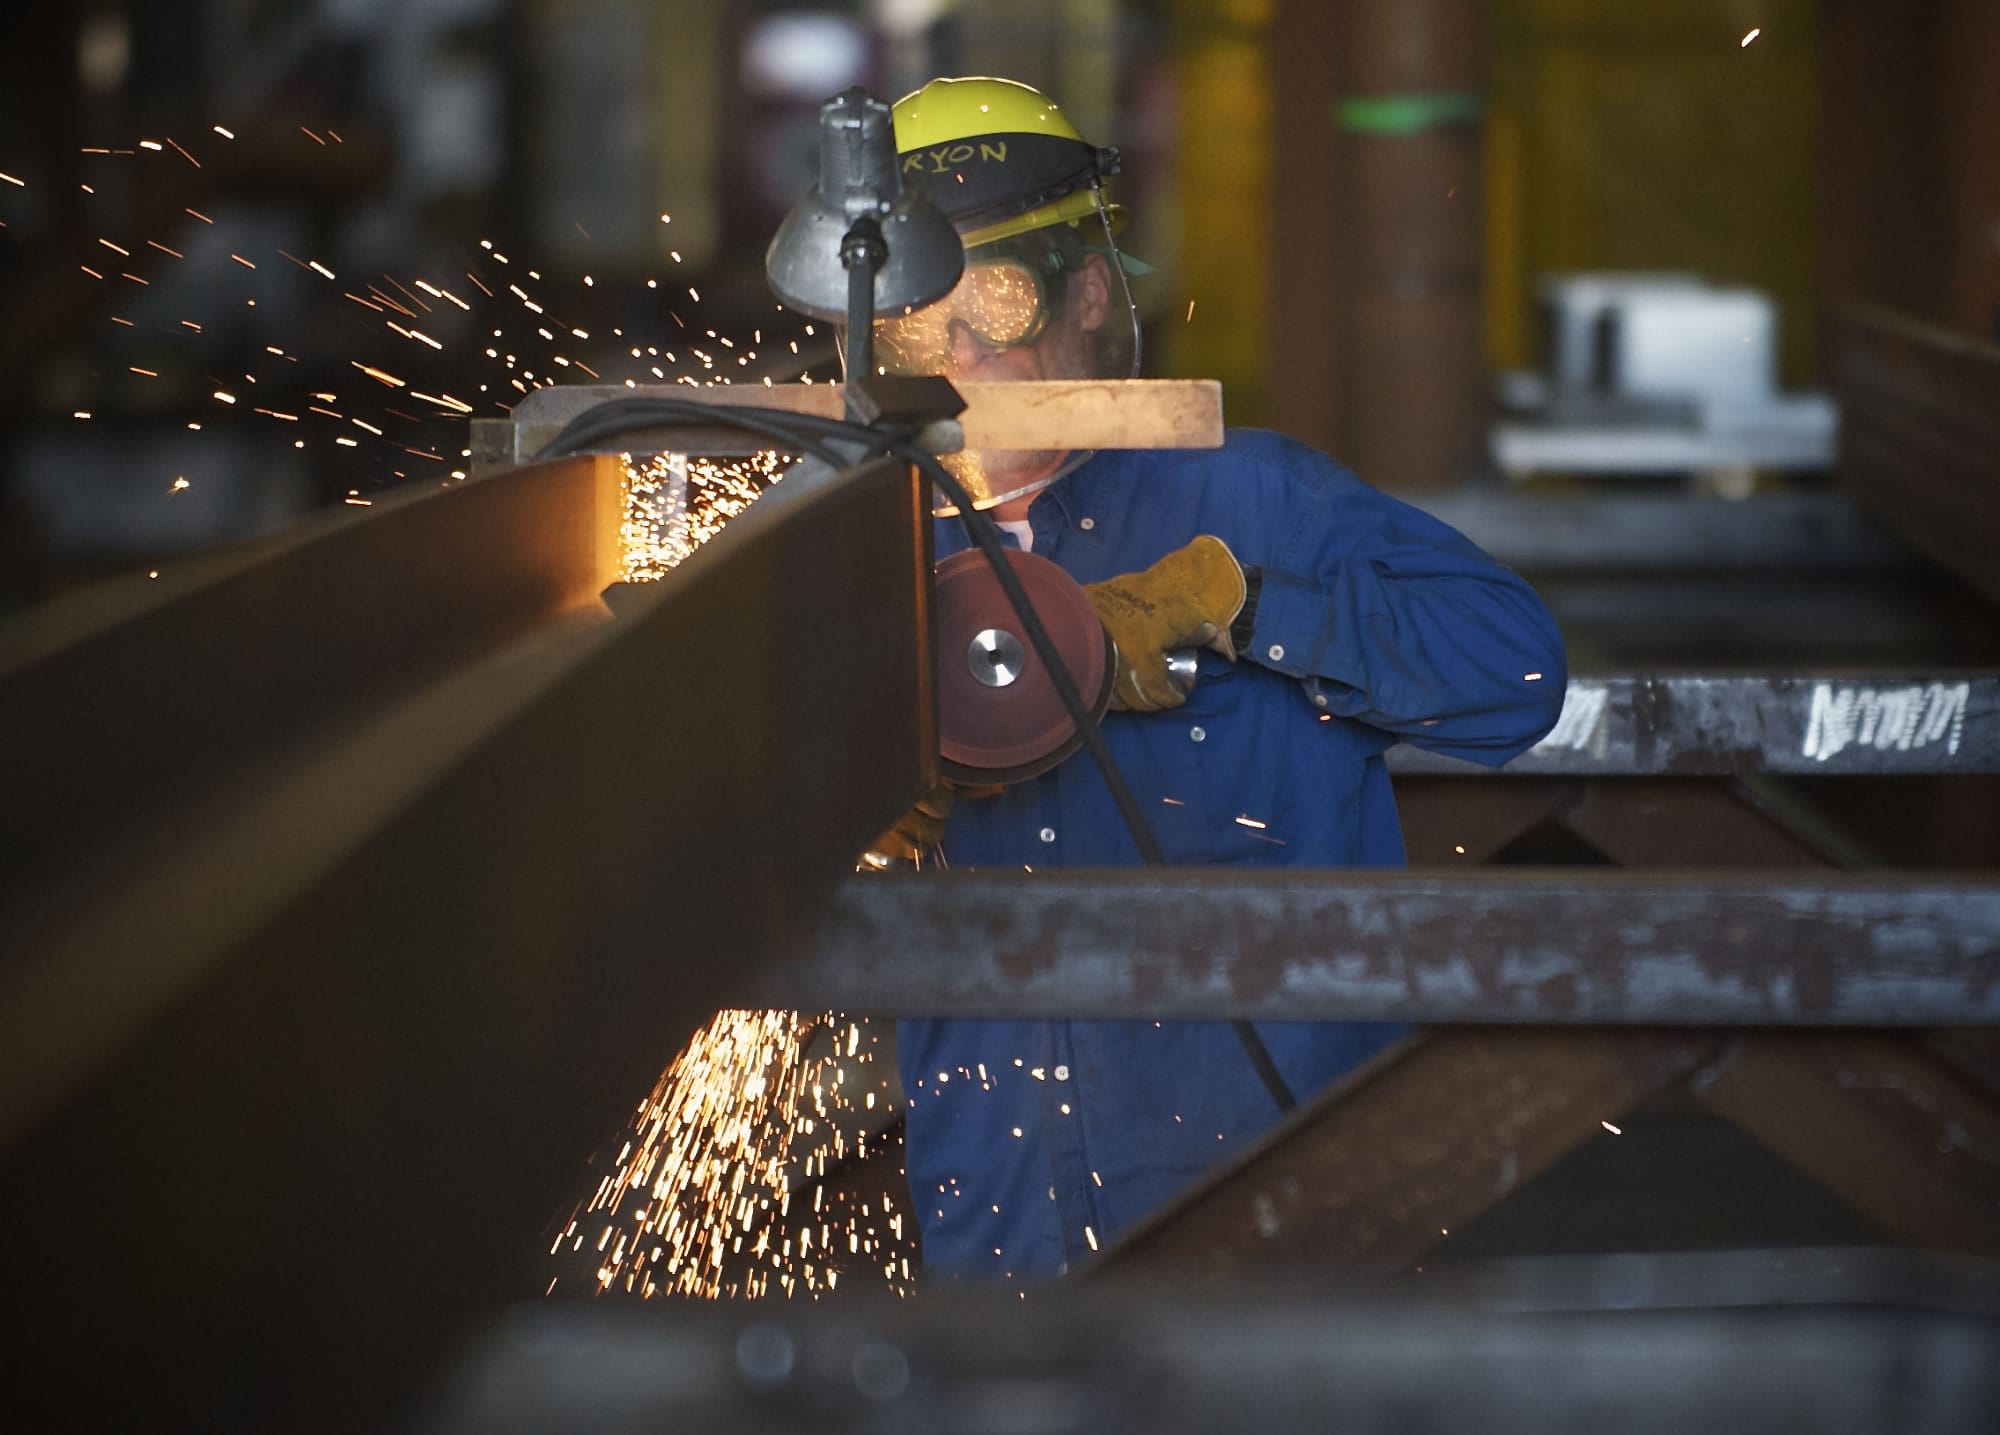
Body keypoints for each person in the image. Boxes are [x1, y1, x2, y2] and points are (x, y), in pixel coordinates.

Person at [874, 76, 1567, 1285]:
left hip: (1283, 1223)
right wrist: (843, 792)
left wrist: (1248, 606)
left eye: (997, 299)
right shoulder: (864, 537)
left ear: (1089, 291)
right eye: (922, 325)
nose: (967, 356)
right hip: (997, 1223)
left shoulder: (1255, 499)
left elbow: (1513, 671)